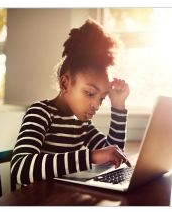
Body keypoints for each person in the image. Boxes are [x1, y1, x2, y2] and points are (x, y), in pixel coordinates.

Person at [11, 17, 132, 185]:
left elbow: (114, 154)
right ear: (65, 84)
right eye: (90, 93)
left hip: (63, 197)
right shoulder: (40, 113)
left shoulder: (81, 124)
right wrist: (91, 157)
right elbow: (20, 170)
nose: (96, 104)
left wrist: (118, 105)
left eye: (102, 98)